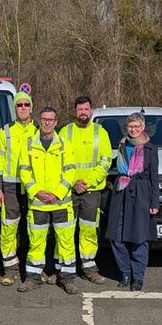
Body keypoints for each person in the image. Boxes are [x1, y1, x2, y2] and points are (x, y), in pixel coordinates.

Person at [17, 106, 79, 294]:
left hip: (61, 203)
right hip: (38, 204)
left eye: (50, 120)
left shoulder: (64, 144)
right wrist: (37, 192)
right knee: (36, 242)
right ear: (39, 120)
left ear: (56, 122)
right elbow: (24, 171)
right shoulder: (29, 143)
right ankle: (32, 278)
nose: (47, 122)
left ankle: (67, 279)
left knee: (66, 242)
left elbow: (71, 171)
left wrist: (57, 193)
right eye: (44, 119)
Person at [58, 96, 111, 285]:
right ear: (75, 111)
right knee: (65, 231)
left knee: (89, 230)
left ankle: (89, 269)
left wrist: (87, 182)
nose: (83, 112)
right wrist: (73, 182)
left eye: (86, 109)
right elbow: (58, 161)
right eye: (80, 109)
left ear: (91, 110)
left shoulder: (100, 132)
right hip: (68, 190)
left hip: (91, 191)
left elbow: (106, 161)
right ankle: (62, 269)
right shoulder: (65, 131)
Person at [105, 112, 159, 291]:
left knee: (139, 238)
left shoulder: (150, 149)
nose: (133, 129)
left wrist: (154, 202)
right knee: (116, 237)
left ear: (143, 127)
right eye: (130, 126)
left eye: (137, 126)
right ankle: (125, 272)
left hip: (141, 194)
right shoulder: (122, 145)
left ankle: (138, 277)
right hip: (121, 193)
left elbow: (154, 177)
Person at [0, 91, 38, 286]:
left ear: (31, 107)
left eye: (26, 105)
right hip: (10, 187)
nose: (23, 108)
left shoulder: (39, 131)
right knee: (9, 228)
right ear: (14, 108)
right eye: (19, 105)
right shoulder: (5, 131)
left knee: (36, 229)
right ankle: (10, 269)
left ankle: (35, 269)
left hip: (34, 187)